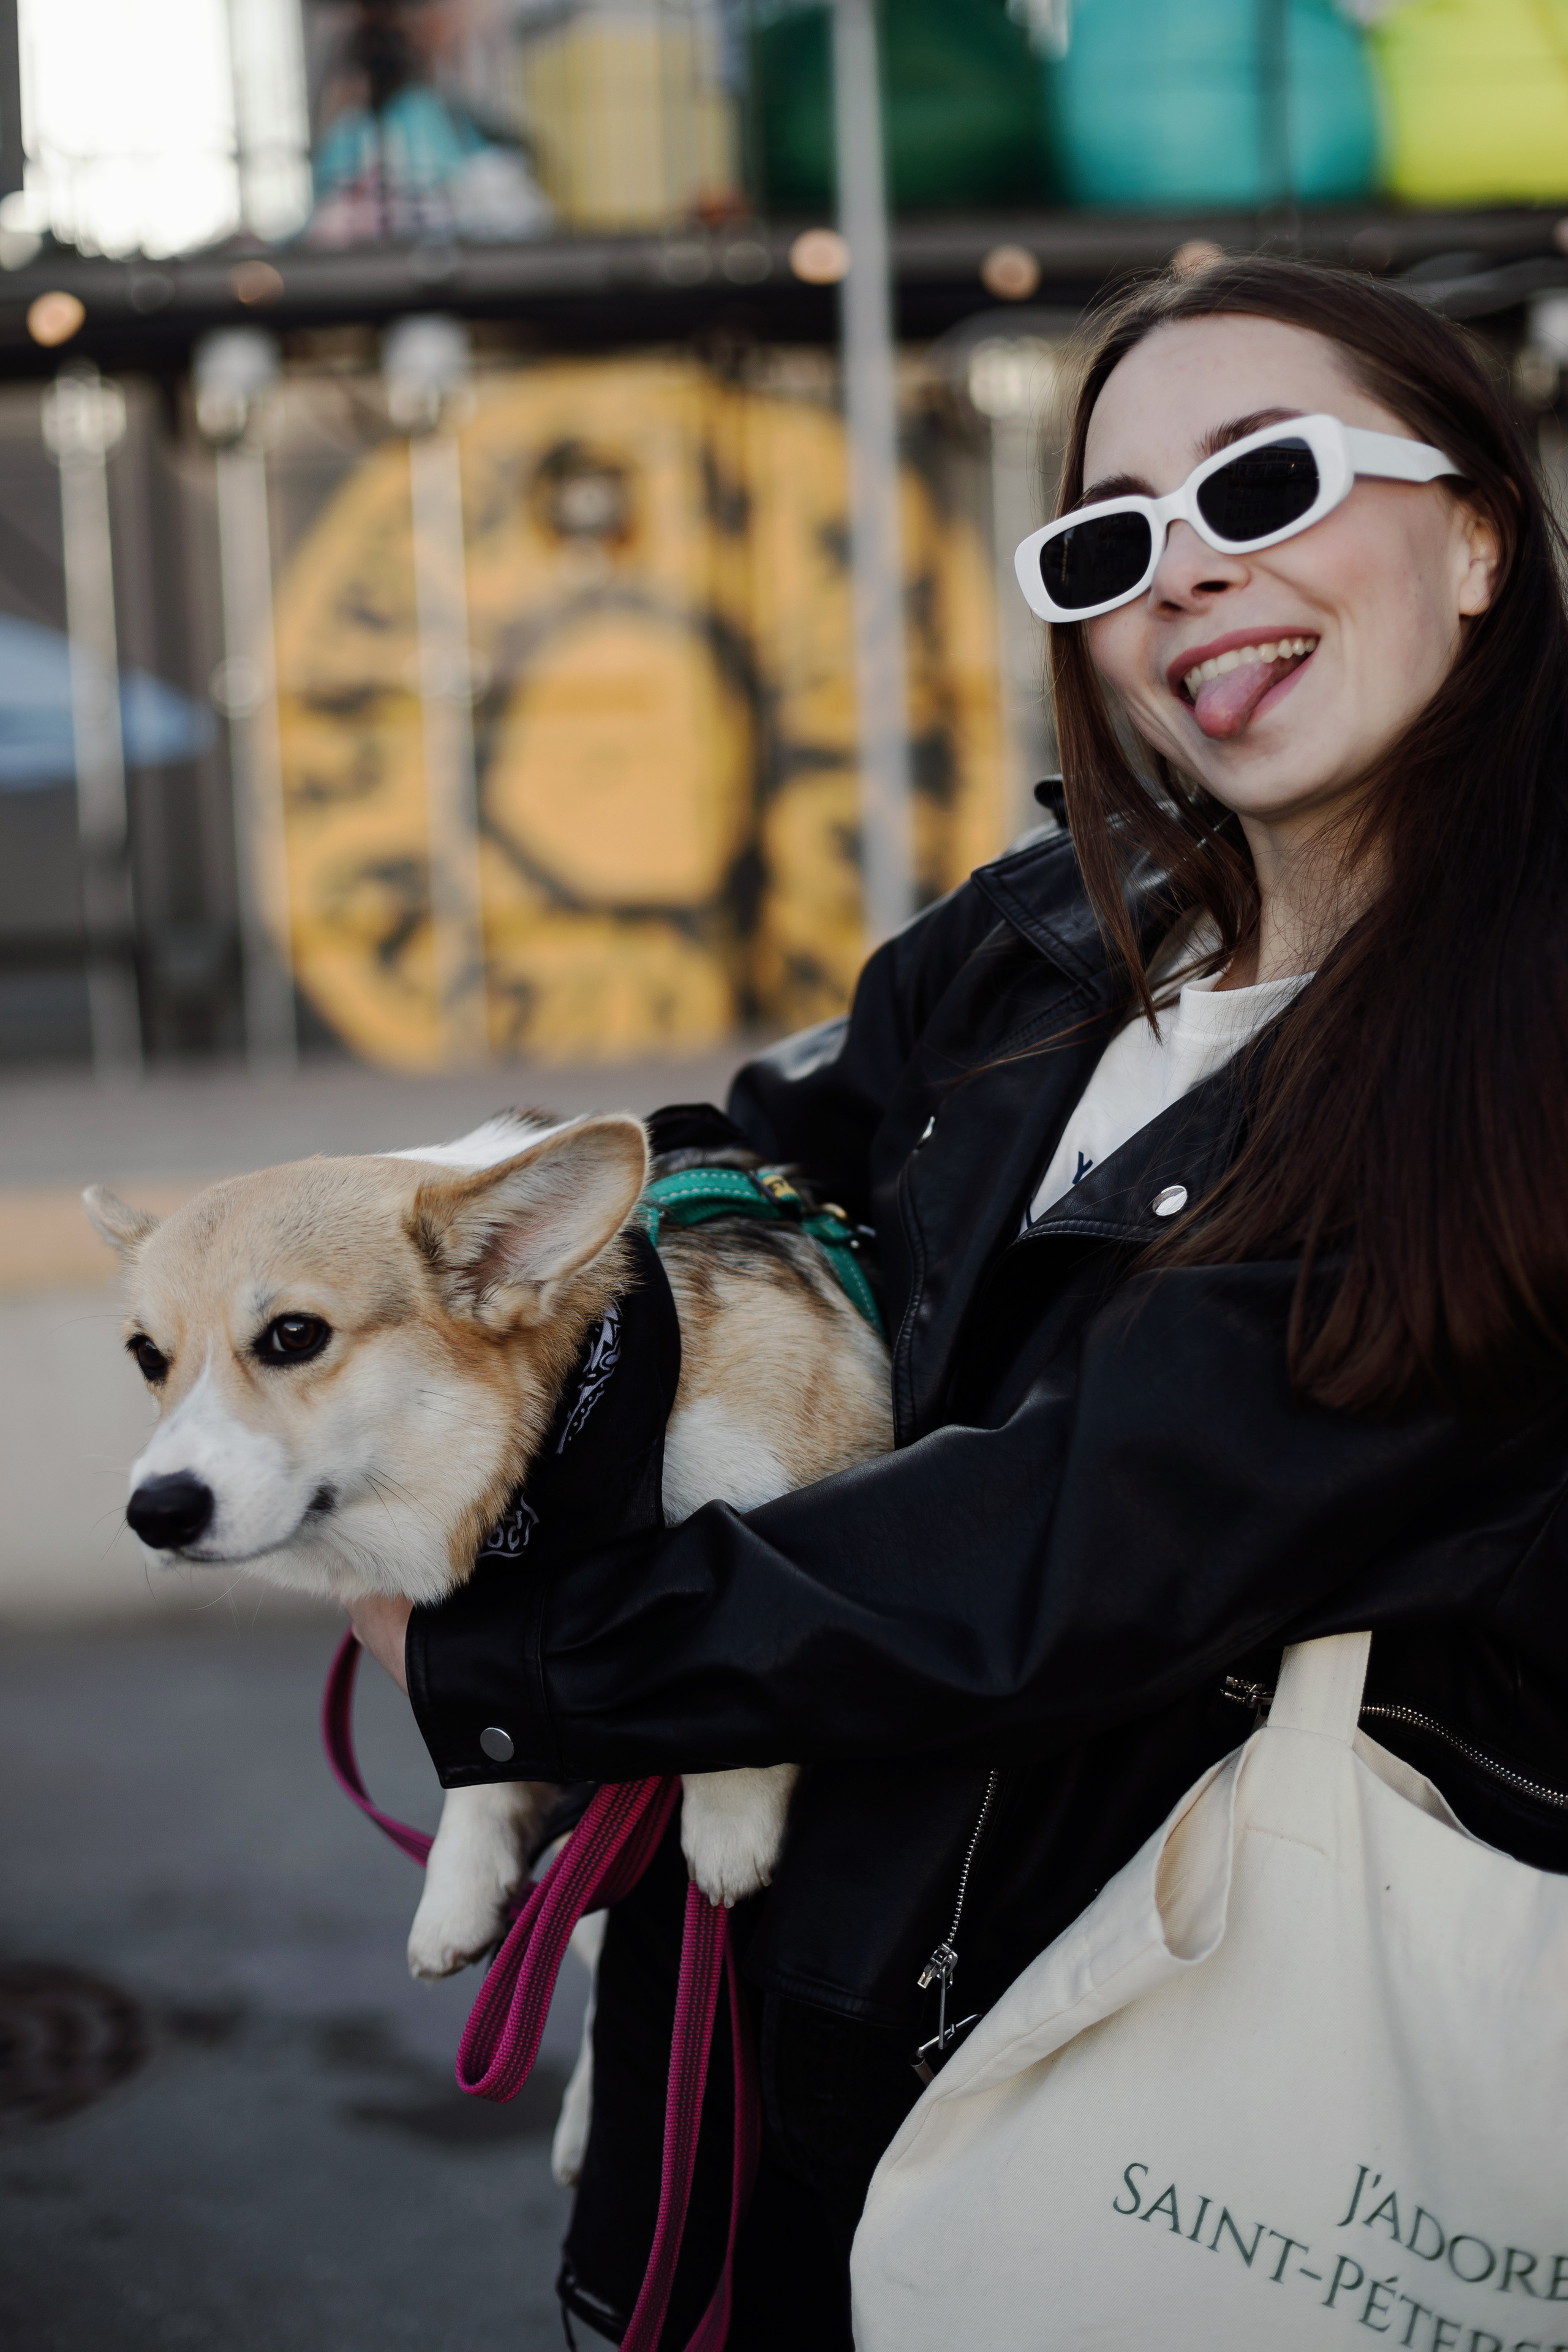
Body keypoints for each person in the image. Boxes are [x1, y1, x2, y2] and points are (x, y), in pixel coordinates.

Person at [350, 257, 1568, 2346]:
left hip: (1166, 2151)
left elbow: (1073, 1540)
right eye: (1115, 540)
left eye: (1262, 485)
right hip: (765, 2091)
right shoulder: (1040, 950)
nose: (1184, 575)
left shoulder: (1518, 1063)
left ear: (1471, 535)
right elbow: (726, 1177)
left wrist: (521, 1639)